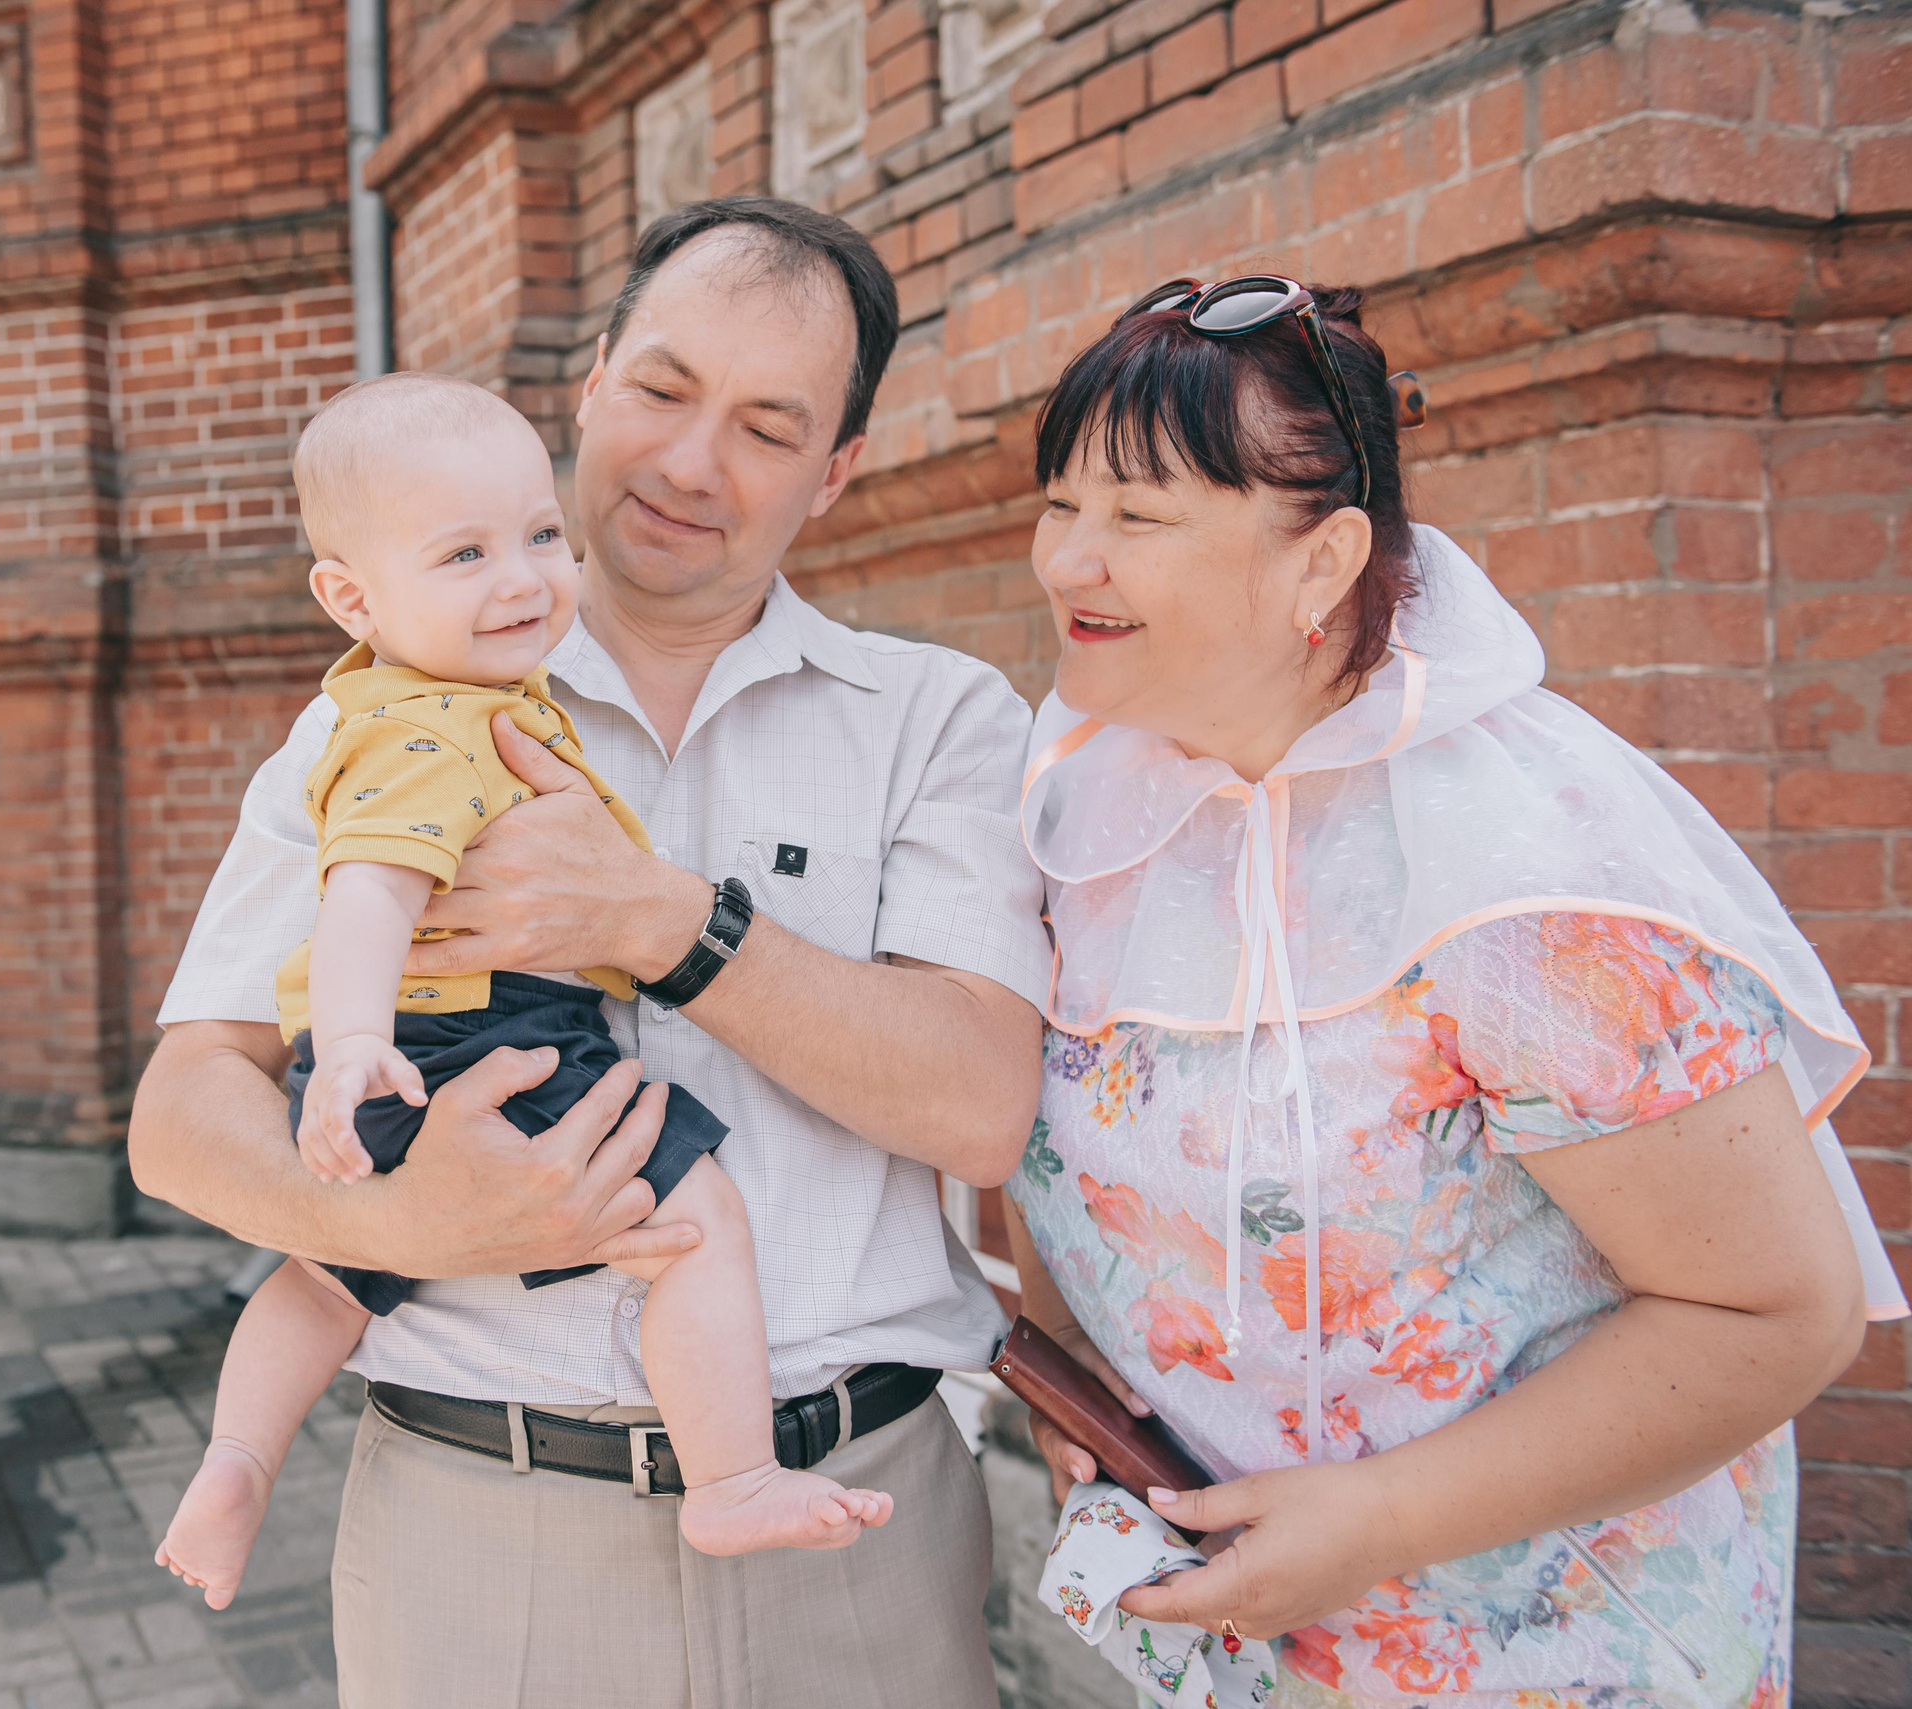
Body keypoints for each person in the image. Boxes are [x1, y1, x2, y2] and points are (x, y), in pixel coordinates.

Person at [128, 198, 1050, 1708]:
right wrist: (403, 1217)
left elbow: (979, 1106)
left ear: (838, 471)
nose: (692, 464)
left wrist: (665, 923)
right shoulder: (382, 715)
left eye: (767, 426)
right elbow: (178, 1115)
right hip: (479, 1541)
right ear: (594, 376)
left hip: (856, 1533)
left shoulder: (935, 722)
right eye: (664, 390)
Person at [1000, 275, 1907, 1705]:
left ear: (1323, 562)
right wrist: (1104, 1411)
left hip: (1551, 1654)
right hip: (1247, 1652)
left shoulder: (1520, 873)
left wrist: (1383, 1522)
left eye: (1139, 516)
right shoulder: (1091, 818)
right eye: (1061, 504)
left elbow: (1779, 1314)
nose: (1066, 560)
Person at [150, 373, 894, 1610]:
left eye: (539, 535)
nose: (521, 578)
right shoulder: (430, 729)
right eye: (462, 553)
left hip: (408, 1049)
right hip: (479, 1031)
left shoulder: (435, 702)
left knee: (328, 1274)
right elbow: (368, 896)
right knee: (696, 1220)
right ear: (352, 595)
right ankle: (734, 1477)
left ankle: (235, 1459)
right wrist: (345, 1048)